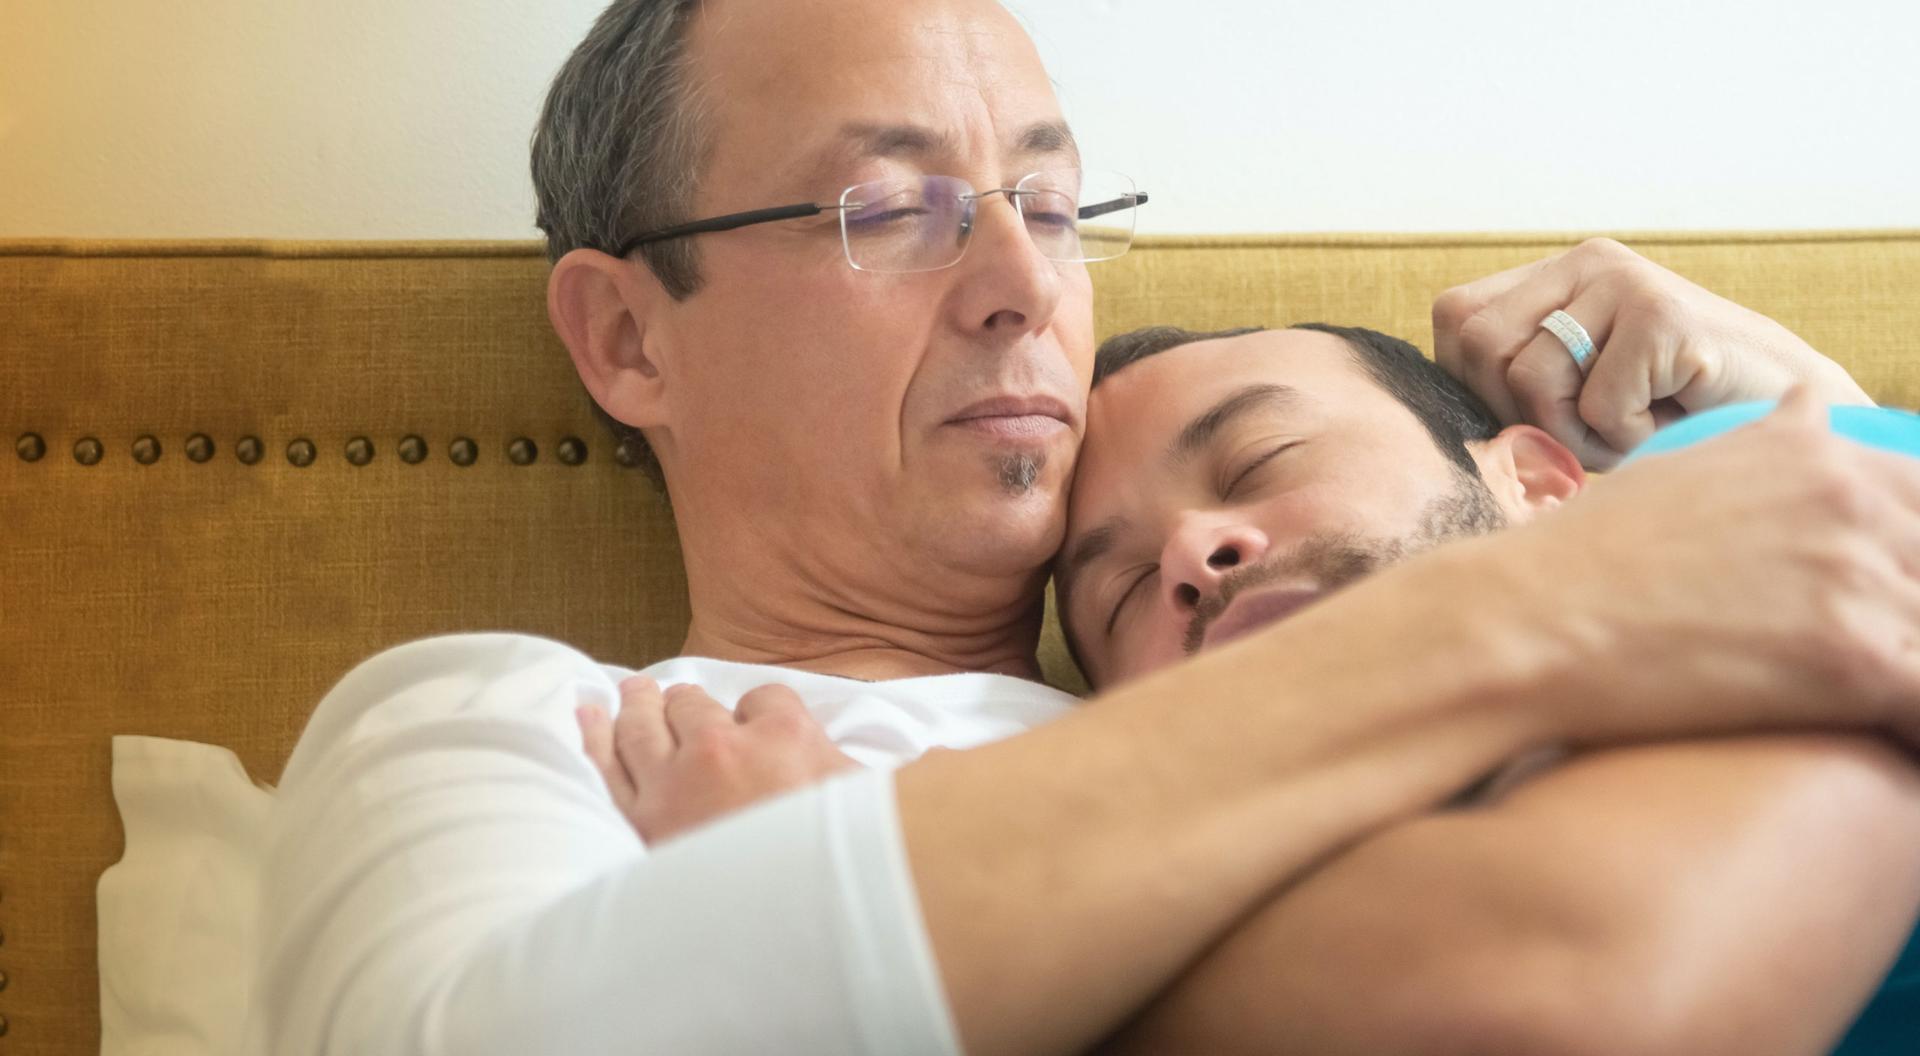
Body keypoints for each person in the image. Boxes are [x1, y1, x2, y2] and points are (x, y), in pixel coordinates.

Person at [248, 0, 1920, 1053]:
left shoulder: (1284, 662)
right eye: (887, 208)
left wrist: (1811, 407)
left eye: (1050, 206)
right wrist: (1563, 595)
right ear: (628, 337)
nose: (1021, 286)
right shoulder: (509, 719)